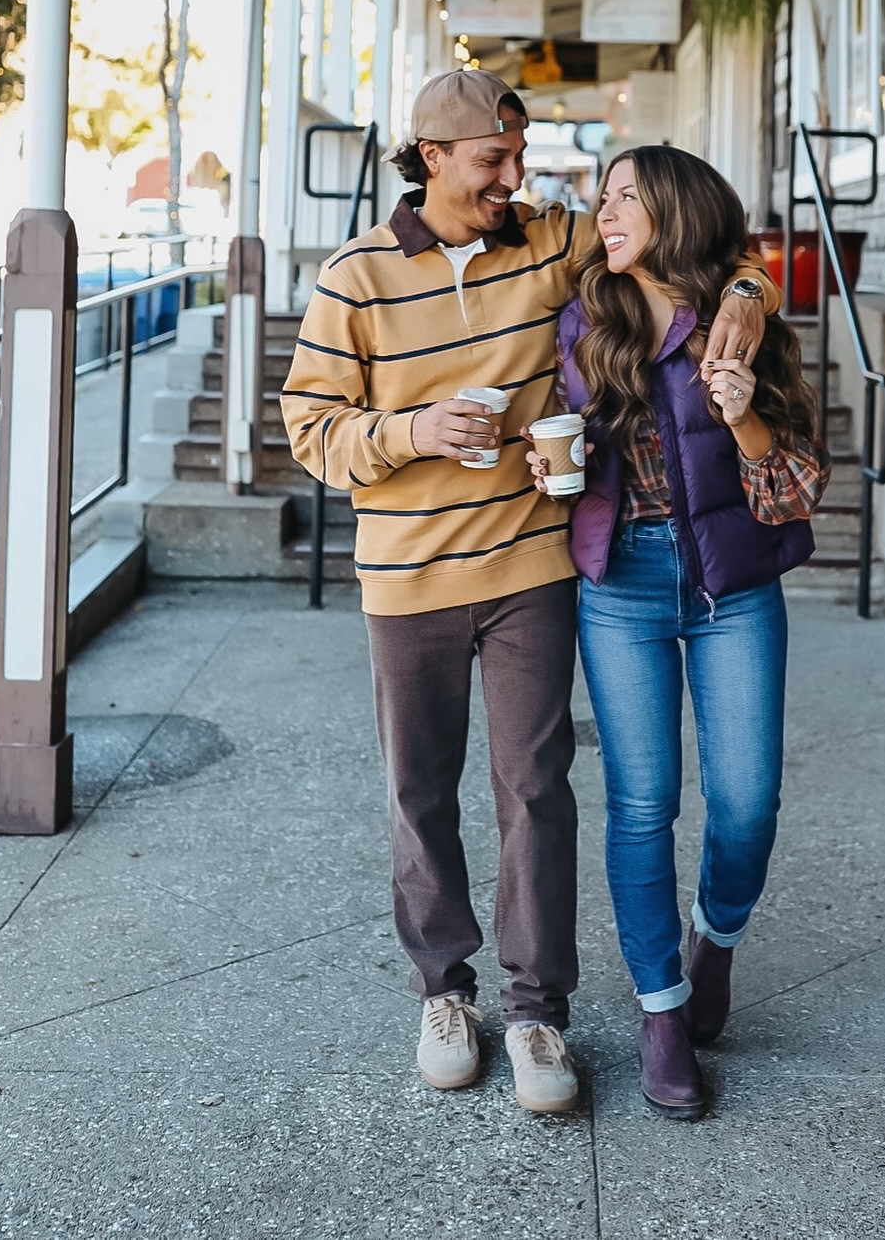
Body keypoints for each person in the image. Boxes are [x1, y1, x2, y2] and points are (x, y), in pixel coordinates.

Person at [282, 70, 775, 1115]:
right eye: (491, 159)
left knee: (535, 789)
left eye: (520, 154)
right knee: (419, 792)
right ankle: (443, 990)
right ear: (428, 155)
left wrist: (744, 290)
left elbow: (696, 238)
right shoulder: (353, 278)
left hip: (531, 568)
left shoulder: (552, 239)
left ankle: (534, 1006)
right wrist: (410, 432)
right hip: (407, 573)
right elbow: (310, 427)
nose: (516, 176)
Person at [528, 144, 831, 1122]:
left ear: (676, 210)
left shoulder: (745, 327)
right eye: (602, 195)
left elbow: (796, 488)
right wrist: (550, 473)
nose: (603, 212)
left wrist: (742, 416)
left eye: (624, 198)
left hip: (731, 583)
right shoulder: (585, 316)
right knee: (640, 804)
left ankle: (716, 935)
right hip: (621, 582)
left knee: (745, 802)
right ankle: (660, 1008)